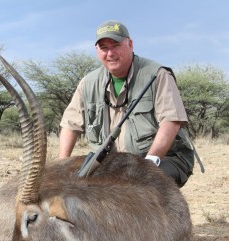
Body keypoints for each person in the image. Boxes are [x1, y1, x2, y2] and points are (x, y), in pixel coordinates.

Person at [59, 20, 194, 187]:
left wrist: (149, 165)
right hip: (113, 163)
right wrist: (62, 166)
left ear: (130, 44)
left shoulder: (157, 74)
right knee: (75, 190)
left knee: (138, 191)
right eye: (104, 48)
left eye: (115, 45)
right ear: (97, 51)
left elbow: (171, 122)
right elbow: (70, 125)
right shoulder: (88, 83)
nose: (110, 53)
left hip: (164, 157)